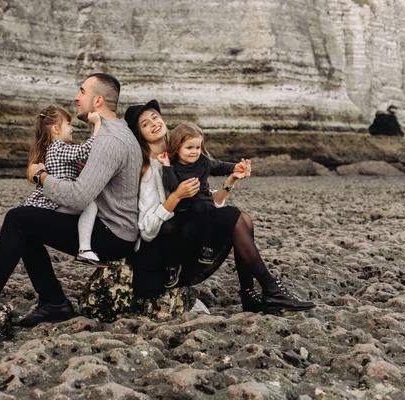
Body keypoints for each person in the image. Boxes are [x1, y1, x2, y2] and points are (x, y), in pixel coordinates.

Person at [0, 73, 143, 331]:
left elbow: (79, 196)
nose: (76, 97)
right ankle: (54, 303)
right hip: (113, 225)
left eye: (81, 91)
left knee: (18, 220)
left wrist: (41, 177)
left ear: (97, 100)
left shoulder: (109, 141)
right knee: (27, 218)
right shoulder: (116, 132)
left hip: (112, 234)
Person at [125, 100, 315, 314]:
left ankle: (251, 294)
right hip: (167, 257)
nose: (153, 122)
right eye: (144, 123)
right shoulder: (149, 170)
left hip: (191, 232)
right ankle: (270, 289)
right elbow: (148, 230)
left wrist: (230, 181)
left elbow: (206, 206)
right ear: (139, 135)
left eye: (155, 116)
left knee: (242, 219)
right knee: (234, 216)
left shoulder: (182, 157)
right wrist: (175, 197)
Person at [156, 122, 249, 288]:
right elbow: (171, 186)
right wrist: (166, 166)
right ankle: (171, 267)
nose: (194, 152)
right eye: (189, 148)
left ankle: (206, 249)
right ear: (177, 147)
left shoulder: (204, 162)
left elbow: (220, 166)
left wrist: (236, 167)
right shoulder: (173, 166)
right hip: (181, 210)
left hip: (203, 208)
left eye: (198, 148)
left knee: (202, 207)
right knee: (167, 228)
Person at [20, 105, 105, 267]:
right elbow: (86, 151)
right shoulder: (58, 148)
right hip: (58, 199)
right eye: (69, 124)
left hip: (58, 198)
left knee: (89, 207)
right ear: (56, 129)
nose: (72, 128)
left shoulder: (53, 149)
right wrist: (97, 125)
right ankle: (85, 250)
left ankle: (85, 248)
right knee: (90, 205)